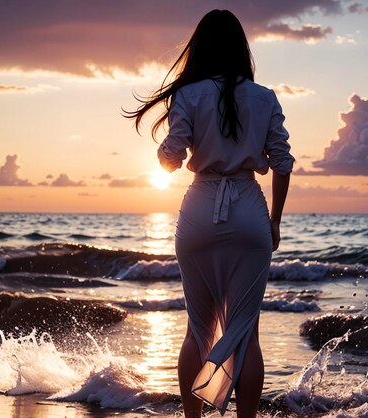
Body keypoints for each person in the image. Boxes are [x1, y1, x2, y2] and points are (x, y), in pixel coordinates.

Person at [125, 9, 293, 417]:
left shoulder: (190, 93)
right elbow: (283, 162)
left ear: (199, 50)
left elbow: (171, 158)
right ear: (241, 49)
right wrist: (274, 221)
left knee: (197, 332)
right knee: (246, 335)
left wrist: (165, 154)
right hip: (249, 211)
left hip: (200, 211)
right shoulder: (264, 96)